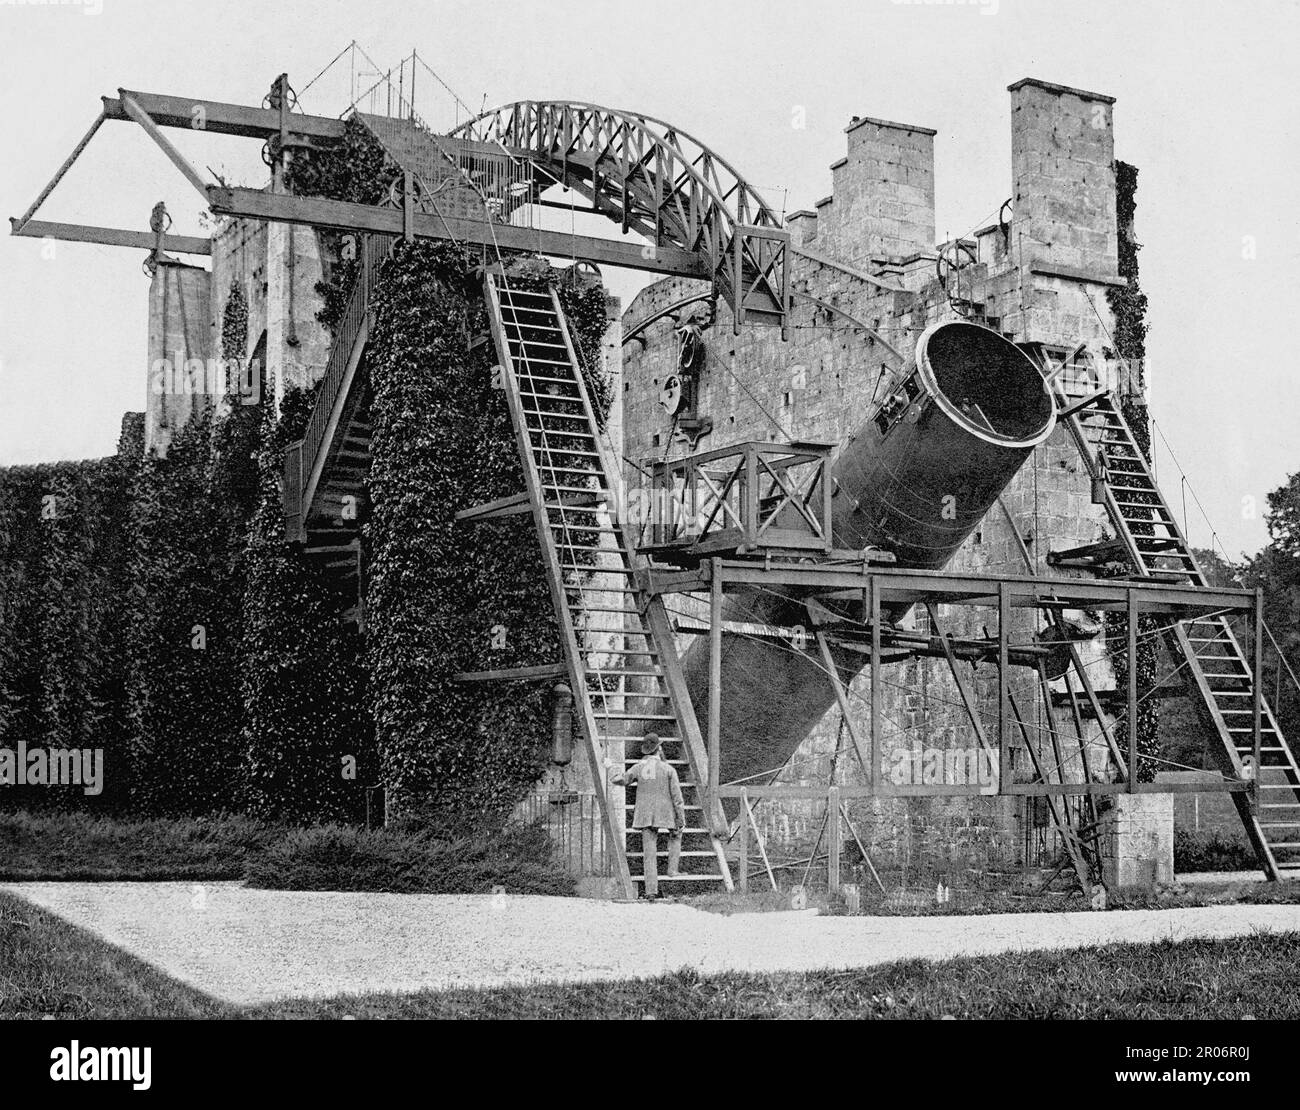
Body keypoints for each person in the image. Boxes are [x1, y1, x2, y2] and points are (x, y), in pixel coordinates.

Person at [608, 733, 685, 899]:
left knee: (649, 852)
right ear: (659, 749)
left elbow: (618, 780)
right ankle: (672, 869)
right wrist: (680, 820)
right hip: (666, 814)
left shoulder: (638, 767)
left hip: (645, 815)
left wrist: (610, 768)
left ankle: (651, 890)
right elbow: (678, 798)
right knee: (676, 835)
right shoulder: (669, 769)